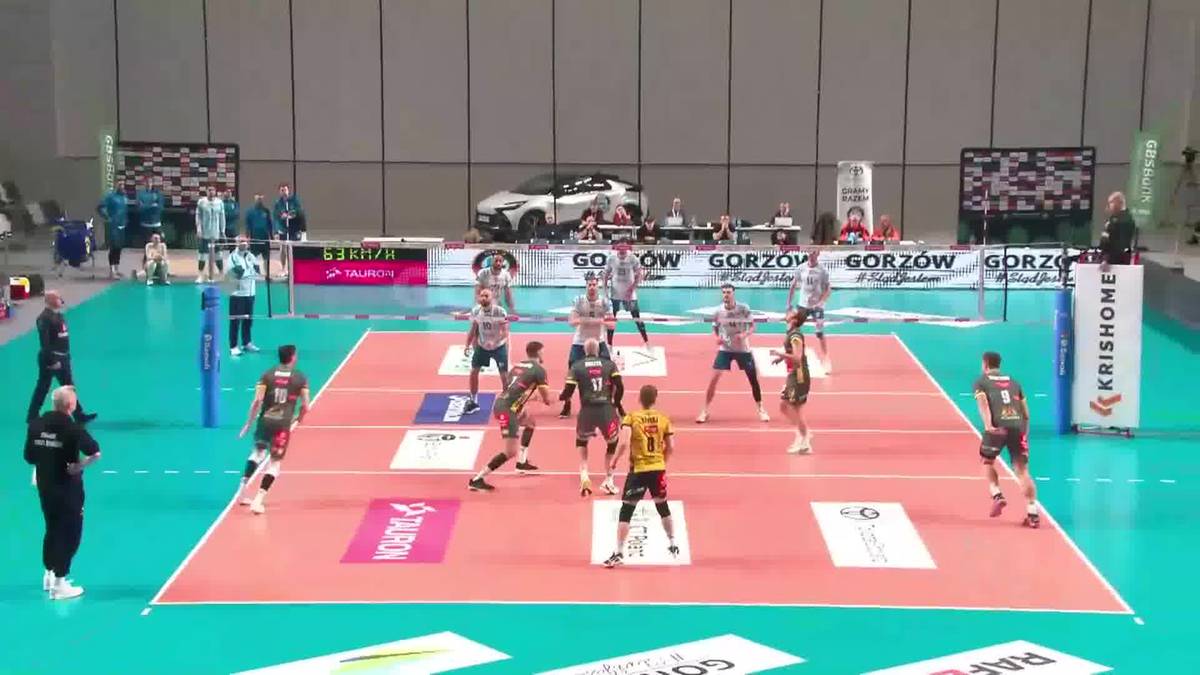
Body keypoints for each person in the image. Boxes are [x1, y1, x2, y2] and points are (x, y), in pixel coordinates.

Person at [25, 386, 101, 599]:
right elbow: (95, 452)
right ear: (71, 405)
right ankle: (60, 583)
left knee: (52, 528)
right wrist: (80, 465)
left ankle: (49, 574)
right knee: (70, 533)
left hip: (45, 487)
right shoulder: (73, 428)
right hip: (68, 489)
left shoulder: (36, 424)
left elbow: (29, 457)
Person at [603, 384, 678, 568]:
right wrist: (662, 463)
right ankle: (673, 543)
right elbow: (671, 446)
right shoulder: (663, 419)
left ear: (639, 399)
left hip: (638, 470)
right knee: (662, 506)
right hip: (657, 468)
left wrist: (614, 461)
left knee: (627, 510)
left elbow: (624, 442)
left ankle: (619, 552)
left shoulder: (632, 417)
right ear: (655, 399)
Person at [237, 345, 311, 514]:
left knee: (257, 454)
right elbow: (306, 405)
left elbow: (257, 402)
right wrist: (299, 418)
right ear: (292, 357)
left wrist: (248, 423)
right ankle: (258, 500)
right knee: (275, 463)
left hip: (265, 422)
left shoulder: (267, 375)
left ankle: (241, 492)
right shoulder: (300, 378)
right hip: (282, 425)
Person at [469, 341, 552, 491]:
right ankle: (477, 479)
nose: (544, 354)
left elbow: (510, 387)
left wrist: (525, 401)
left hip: (507, 404)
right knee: (510, 451)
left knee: (530, 422)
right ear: (539, 353)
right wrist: (554, 398)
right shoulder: (539, 370)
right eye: (543, 352)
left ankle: (522, 462)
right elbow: (547, 399)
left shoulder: (517, 366)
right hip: (506, 410)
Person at [973, 351, 1039, 528]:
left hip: (997, 427)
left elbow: (983, 404)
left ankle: (997, 494)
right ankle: (1033, 513)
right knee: (1022, 470)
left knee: (987, 461)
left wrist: (988, 425)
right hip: (1018, 427)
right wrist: (1024, 433)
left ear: (985, 364)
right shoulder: (1015, 382)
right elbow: (1026, 413)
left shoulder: (981, 382)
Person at [561, 338, 625, 497]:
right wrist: (617, 404)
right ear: (598, 350)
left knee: (582, 441)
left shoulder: (577, 366)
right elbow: (620, 386)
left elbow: (568, 390)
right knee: (612, 443)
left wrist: (561, 397)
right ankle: (609, 480)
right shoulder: (609, 365)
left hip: (587, 410)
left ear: (584, 351)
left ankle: (584, 474)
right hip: (606, 410)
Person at [697, 284, 768, 423]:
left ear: (733, 293)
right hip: (725, 349)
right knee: (713, 379)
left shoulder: (743, 308)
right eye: (724, 292)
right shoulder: (718, 311)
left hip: (743, 349)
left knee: (753, 380)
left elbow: (753, 326)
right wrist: (717, 337)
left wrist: (744, 335)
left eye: (728, 292)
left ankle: (761, 409)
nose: (726, 295)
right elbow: (715, 328)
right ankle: (705, 411)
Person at [26, 291, 96, 424]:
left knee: (68, 386)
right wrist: (52, 361)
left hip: (63, 358)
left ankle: (78, 414)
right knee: (44, 387)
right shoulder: (44, 318)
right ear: (51, 300)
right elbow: (45, 343)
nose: (61, 300)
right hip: (53, 359)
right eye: (58, 298)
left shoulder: (58, 316)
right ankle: (32, 416)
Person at [558, 274, 615, 418]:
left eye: (594, 285)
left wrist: (589, 320)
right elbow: (572, 322)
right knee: (571, 374)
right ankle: (567, 404)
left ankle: (611, 404)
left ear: (598, 286)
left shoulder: (605, 302)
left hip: (598, 342)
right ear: (586, 286)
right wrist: (596, 320)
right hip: (580, 342)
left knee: (610, 373)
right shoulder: (579, 300)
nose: (592, 287)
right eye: (589, 285)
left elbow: (612, 325)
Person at [771, 308, 813, 454]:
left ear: (794, 320)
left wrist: (780, 354)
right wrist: (780, 358)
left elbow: (797, 357)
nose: (788, 312)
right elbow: (791, 353)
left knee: (791, 407)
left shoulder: (796, 335)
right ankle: (802, 435)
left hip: (799, 375)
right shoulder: (791, 333)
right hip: (793, 374)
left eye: (792, 312)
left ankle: (804, 438)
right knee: (786, 407)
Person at [463, 288, 511, 415]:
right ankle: (473, 401)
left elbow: (505, 332)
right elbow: (473, 329)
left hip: (498, 347)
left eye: (486, 296)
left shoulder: (500, 311)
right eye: (482, 295)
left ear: (492, 297)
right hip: (482, 346)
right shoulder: (476, 311)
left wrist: (494, 342)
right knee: (474, 372)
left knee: (504, 376)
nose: (483, 298)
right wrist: (467, 345)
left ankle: (507, 403)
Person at [786, 249, 833, 373]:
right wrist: (788, 303)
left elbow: (828, 289)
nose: (811, 255)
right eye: (810, 253)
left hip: (817, 307)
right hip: (803, 305)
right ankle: (792, 357)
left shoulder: (822, 270)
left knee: (819, 333)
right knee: (791, 329)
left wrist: (821, 302)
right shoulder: (801, 268)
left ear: (818, 254)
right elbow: (793, 285)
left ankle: (826, 359)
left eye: (814, 253)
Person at [603, 240, 650, 349]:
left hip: (630, 295)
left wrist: (631, 289)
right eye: (620, 247)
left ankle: (646, 342)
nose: (622, 249)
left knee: (637, 318)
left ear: (627, 247)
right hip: (615, 294)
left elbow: (639, 275)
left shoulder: (633, 258)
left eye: (624, 247)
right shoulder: (611, 258)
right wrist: (605, 291)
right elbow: (605, 274)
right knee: (611, 319)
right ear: (616, 247)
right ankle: (609, 345)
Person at [227, 235, 262, 356]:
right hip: (238, 294)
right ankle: (233, 346)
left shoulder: (251, 256)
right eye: (241, 241)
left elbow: (258, 271)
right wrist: (250, 273)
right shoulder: (232, 257)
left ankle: (246, 343)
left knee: (248, 320)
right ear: (236, 243)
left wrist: (250, 272)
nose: (244, 243)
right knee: (235, 321)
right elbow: (237, 273)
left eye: (245, 241)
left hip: (251, 293)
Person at [195, 185, 226, 283]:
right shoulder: (201, 202)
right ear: (206, 191)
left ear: (215, 191)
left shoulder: (219, 202)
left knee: (218, 255)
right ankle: (200, 275)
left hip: (216, 233)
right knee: (202, 255)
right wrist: (199, 229)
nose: (211, 192)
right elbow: (198, 216)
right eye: (209, 190)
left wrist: (222, 231)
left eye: (213, 190)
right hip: (205, 233)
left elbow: (222, 217)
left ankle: (221, 274)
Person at [273, 183, 304, 278]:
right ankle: (283, 269)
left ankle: (294, 269)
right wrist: (276, 231)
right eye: (282, 190)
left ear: (288, 191)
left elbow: (299, 212)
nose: (284, 192)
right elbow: (275, 217)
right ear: (279, 192)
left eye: (285, 190)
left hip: (294, 229)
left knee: (294, 250)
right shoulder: (277, 203)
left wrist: (291, 215)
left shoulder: (294, 201)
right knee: (282, 249)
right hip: (283, 229)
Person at [96, 187, 128, 279]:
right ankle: (111, 271)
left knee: (119, 247)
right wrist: (108, 217)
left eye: (123, 184)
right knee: (113, 247)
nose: (122, 186)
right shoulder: (110, 196)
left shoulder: (124, 197)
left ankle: (117, 269)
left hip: (122, 225)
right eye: (120, 184)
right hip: (113, 225)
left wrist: (125, 221)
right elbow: (100, 207)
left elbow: (124, 211)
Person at [1099, 191, 1135, 265]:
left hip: (1115, 261)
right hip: (1110, 259)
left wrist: (1107, 259)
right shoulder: (1113, 218)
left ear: (1119, 203)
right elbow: (1105, 238)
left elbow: (1120, 243)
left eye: (1111, 202)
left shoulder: (1124, 220)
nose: (1109, 205)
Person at [244, 193, 275, 269]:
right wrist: (247, 237)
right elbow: (247, 225)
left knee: (266, 258)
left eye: (260, 199)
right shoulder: (250, 211)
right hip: (254, 238)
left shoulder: (266, 211)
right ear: (255, 199)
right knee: (253, 258)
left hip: (265, 238)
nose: (259, 200)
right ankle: (253, 272)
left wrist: (272, 236)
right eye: (258, 199)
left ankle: (267, 274)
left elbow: (270, 224)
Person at [136, 177, 165, 242]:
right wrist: (151, 206)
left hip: (156, 223)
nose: (148, 184)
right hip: (145, 223)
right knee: (146, 244)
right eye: (147, 182)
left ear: (152, 183)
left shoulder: (158, 193)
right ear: (144, 183)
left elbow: (160, 207)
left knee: (158, 244)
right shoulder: (140, 194)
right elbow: (139, 207)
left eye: (150, 182)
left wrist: (145, 205)